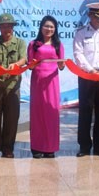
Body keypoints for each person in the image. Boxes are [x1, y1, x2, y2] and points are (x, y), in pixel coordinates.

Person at [73, 2, 99, 157]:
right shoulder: (81, 32)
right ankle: (84, 146)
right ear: (90, 15)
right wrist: (90, 70)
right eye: (97, 17)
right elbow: (78, 54)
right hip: (86, 75)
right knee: (85, 111)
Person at [0, 13, 26, 159]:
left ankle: (8, 149)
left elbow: (23, 59)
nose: (6, 28)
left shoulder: (20, 42)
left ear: (13, 27)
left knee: (12, 118)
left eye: (9, 25)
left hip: (12, 86)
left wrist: (16, 64)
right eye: (3, 26)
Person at [28, 15, 65, 159]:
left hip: (52, 82)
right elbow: (30, 65)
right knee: (37, 113)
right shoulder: (33, 44)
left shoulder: (58, 45)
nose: (49, 29)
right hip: (37, 81)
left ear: (55, 29)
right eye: (46, 26)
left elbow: (61, 66)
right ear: (41, 27)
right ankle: (37, 147)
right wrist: (34, 63)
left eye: (51, 27)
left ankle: (50, 147)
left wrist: (62, 64)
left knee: (51, 113)